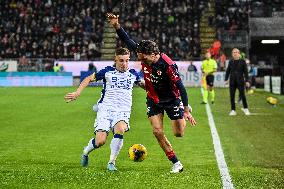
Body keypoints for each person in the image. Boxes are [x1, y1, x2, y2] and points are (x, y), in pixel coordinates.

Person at [107, 13, 197, 173]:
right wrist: (116, 25)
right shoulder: (143, 53)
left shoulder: (168, 65)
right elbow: (127, 40)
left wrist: (186, 109)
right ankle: (176, 163)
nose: (142, 61)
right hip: (153, 99)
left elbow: (181, 86)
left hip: (172, 100)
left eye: (144, 59)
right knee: (157, 131)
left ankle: (182, 114)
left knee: (178, 133)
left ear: (154, 55)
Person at [64, 48, 144, 171]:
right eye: (121, 60)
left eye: (127, 60)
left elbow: (144, 85)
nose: (124, 64)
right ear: (115, 60)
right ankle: (85, 152)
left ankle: (111, 162)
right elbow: (88, 79)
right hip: (105, 110)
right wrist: (77, 92)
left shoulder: (133, 74)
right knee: (100, 141)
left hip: (123, 111)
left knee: (120, 129)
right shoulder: (107, 72)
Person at [225, 48, 250, 116]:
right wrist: (226, 79)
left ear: (239, 54)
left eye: (236, 52)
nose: (235, 53)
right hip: (232, 81)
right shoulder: (230, 61)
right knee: (232, 96)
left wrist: (247, 80)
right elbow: (228, 71)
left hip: (240, 81)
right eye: (233, 52)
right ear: (232, 54)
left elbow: (246, 72)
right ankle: (233, 110)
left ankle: (246, 109)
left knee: (243, 95)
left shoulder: (243, 61)